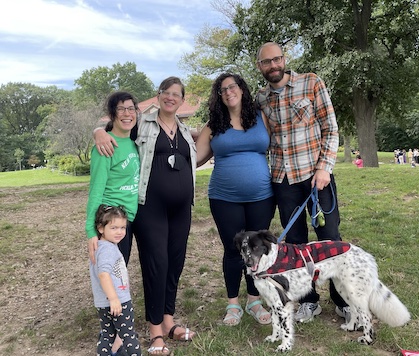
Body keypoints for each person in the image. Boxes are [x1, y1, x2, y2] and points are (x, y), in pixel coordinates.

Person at [94, 77, 197, 355]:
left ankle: (168, 322)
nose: (171, 98)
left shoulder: (185, 130)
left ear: (182, 99)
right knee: (157, 264)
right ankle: (154, 332)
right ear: (159, 95)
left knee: (175, 263)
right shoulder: (143, 123)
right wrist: (97, 131)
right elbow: (115, 130)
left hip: (181, 210)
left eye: (177, 94)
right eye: (166, 92)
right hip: (150, 207)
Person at [255, 42, 349, 323]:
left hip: (315, 177)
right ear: (260, 67)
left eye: (276, 60)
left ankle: (343, 301)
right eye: (266, 62)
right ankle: (309, 301)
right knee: (295, 245)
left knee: (329, 239)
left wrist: (324, 168)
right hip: (282, 181)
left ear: (284, 59)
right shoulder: (261, 98)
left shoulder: (311, 83)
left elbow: (331, 129)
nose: (273, 66)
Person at [196, 73, 275, 326]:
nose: (228, 92)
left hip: (261, 196)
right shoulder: (213, 125)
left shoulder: (262, 117)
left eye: (232, 86)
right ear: (218, 96)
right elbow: (193, 158)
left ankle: (254, 301)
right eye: (222, 89)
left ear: (242, 89)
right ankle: (233, 305)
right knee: (233, 250)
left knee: (257, 250)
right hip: (224, 197)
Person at [86, 91, 140, 356]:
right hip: (111, 221)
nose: (128, 113)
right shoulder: (106, 145)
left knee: (120, 274)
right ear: (112, 114)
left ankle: (115, 331)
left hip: (127, 220)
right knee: (111, 276)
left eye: (132, 108)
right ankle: (113, 336)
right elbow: (95, 190)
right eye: (121, 109)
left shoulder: (135, 141)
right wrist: (90, 232)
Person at [89, 205, 142, 356]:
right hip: (119, 302)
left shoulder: (100, 247)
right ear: (100, 228)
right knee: (129, 336)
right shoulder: (107, 250)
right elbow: (103, 274)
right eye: (114, 228)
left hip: (102, 303)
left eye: (122, 227)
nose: (119, 232)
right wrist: (114, 299)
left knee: (107, 335)